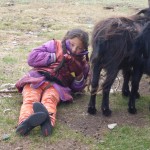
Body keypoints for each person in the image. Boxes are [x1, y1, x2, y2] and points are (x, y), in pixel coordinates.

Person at [15, 28, 90, 137]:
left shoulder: (82, 64)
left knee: (50, 100)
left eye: (79, 48)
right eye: (72, 44)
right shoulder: (54, 45)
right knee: (30, 99)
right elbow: (31, 58)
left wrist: (79, 77)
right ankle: (24, 122)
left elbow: (76, 89)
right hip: (36, 78)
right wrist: (53, 57)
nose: (74, 50)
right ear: (67, 39)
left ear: (85, 48)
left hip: (57, 86)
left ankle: (48, 123)